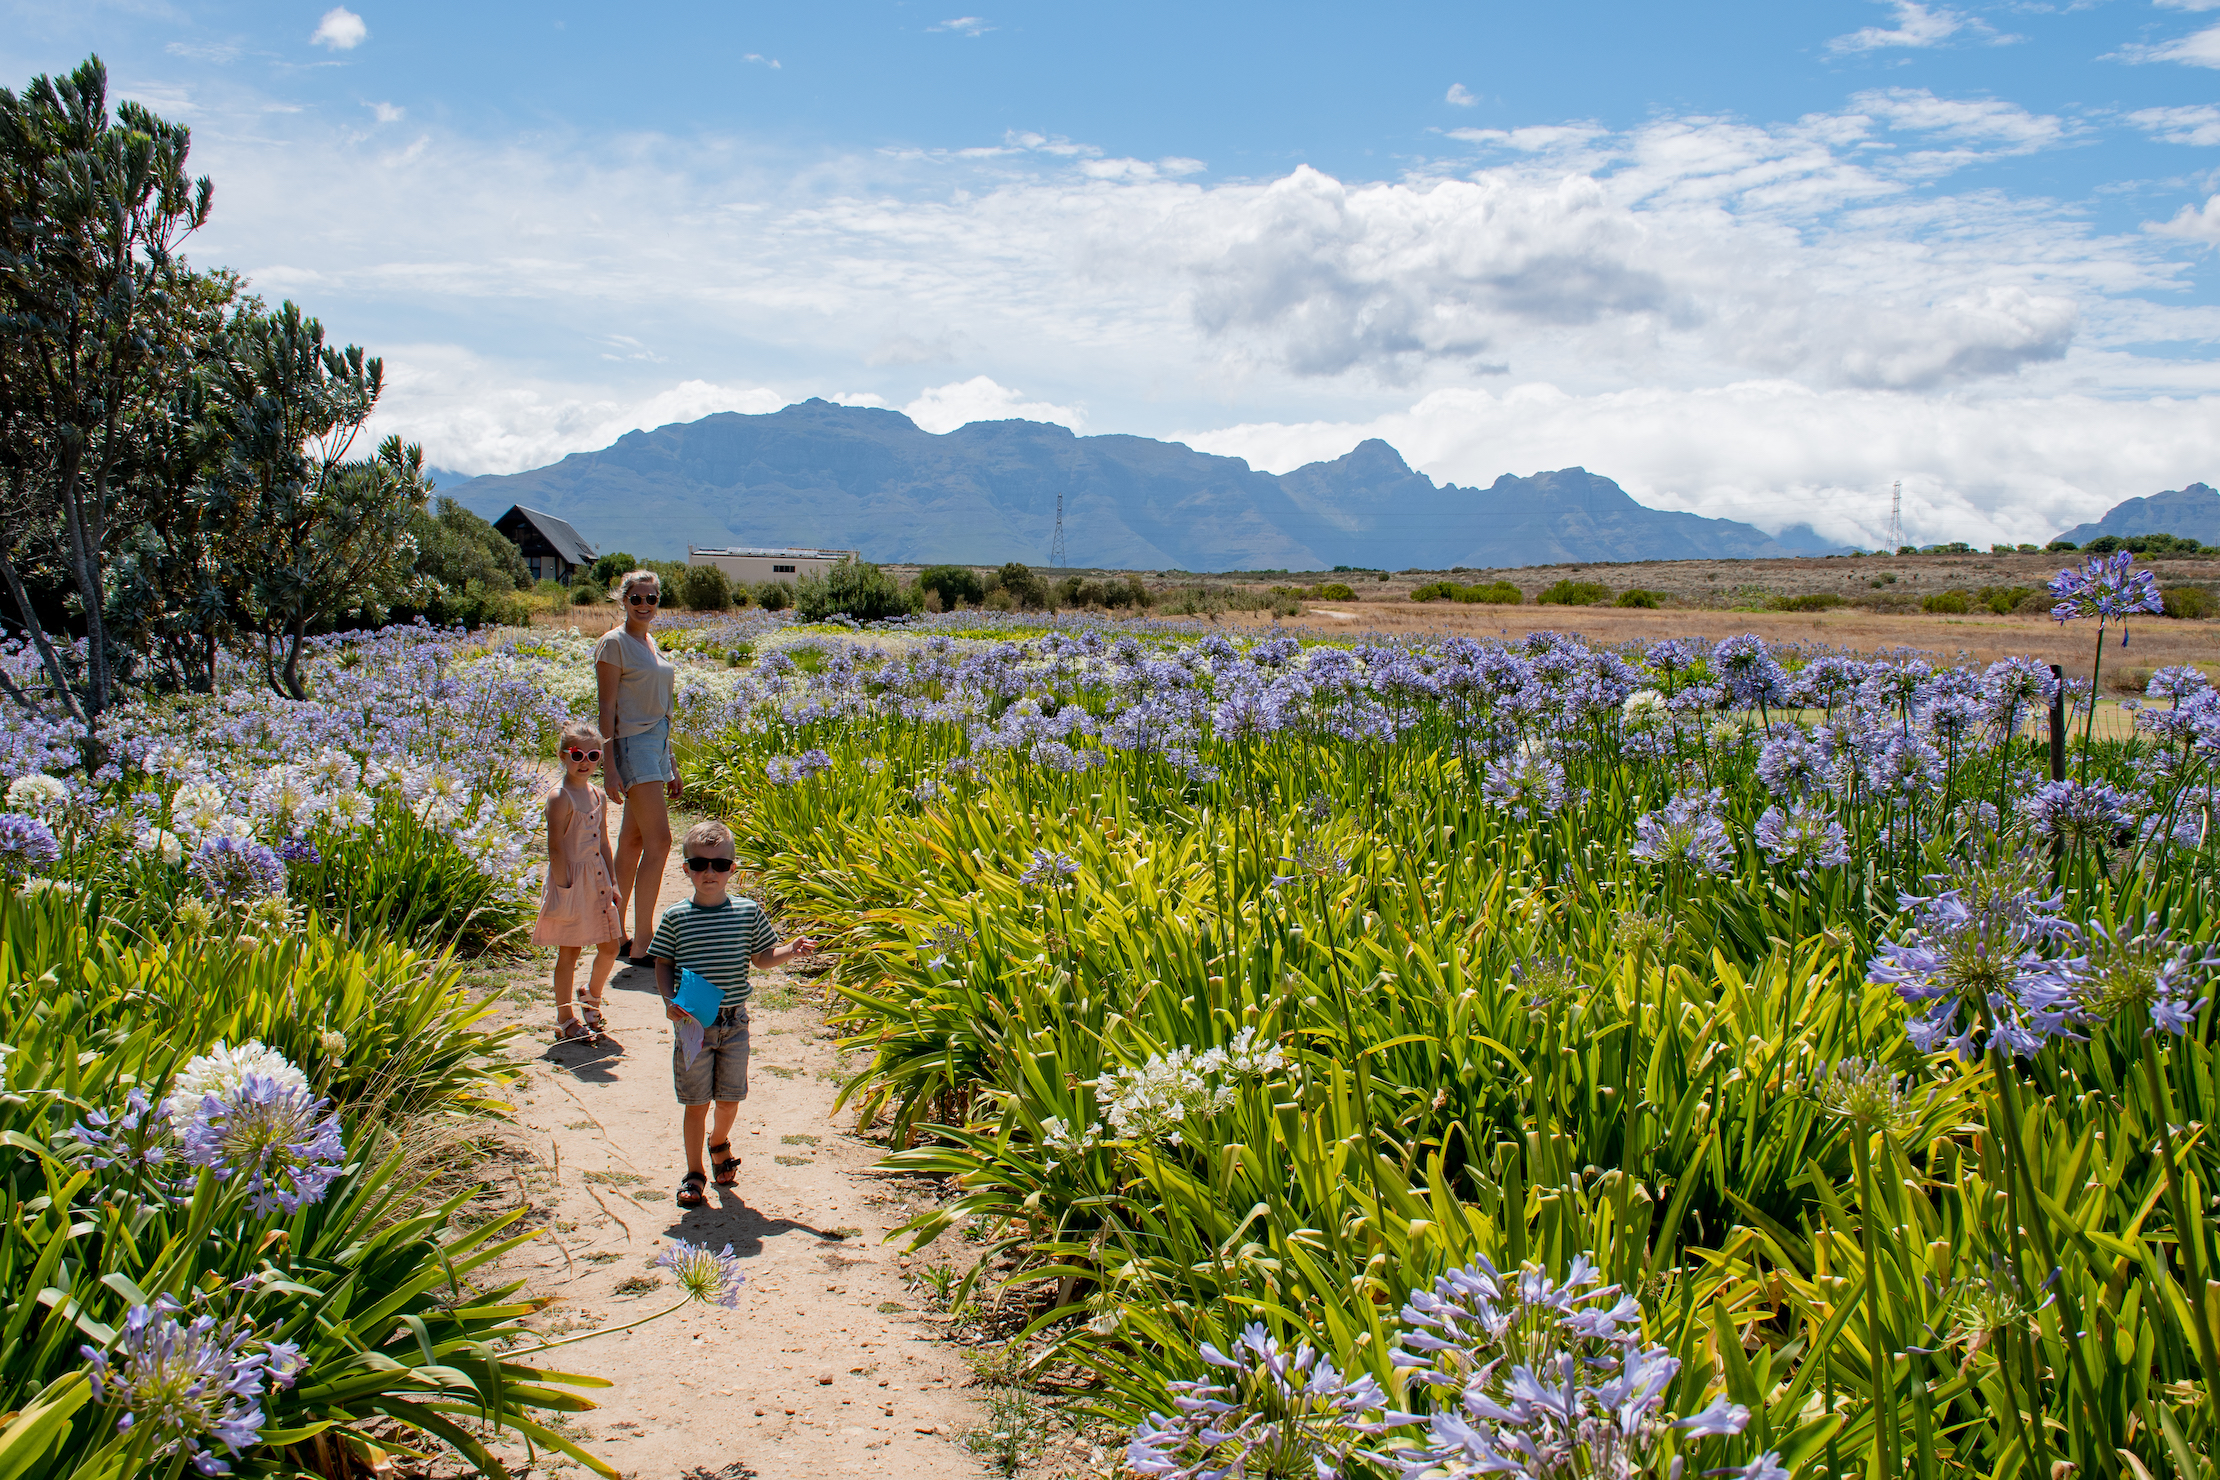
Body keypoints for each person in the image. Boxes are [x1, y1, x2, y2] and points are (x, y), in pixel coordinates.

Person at [648, 819, 814, 1208]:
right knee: (696, 1102)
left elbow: (760, 958)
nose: (710, 873)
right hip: (693, 1023)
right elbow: (663, 962)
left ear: (732, 869)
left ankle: (718, 1140)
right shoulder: (676, 916)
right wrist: (667, 998)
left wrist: (790, 950)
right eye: (700, 864)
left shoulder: (747, 912)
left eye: (720, 865)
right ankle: (694, 1173)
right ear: (686, 868)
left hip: (734, 1021)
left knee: (729, 1098)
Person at [596, 569, 681, 962]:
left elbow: (663, 709)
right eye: (637, 599)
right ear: (623, 600)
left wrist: (672, 763)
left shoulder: (650, 642)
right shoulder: (613, 645)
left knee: (632, 842)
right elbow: (607, 708)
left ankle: (613, 934)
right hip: (632, 744)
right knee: (660, 841)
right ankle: (644, 940)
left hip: (656, 745)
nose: (644, 606)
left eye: (652, 599)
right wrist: (609, 765)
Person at [531, 720, 624, 1043]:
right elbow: (555, 846)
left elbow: (603, 843)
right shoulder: (560, 797)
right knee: (568, 953)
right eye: (576, 755)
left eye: (593, 755)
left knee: (610, 946)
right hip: (570, 881)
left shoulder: (597, 795)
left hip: (597, 879)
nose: (585, 762)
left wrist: (613, 882)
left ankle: (591, 995)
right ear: (562, 756)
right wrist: (563, 887)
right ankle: (565, 1016)